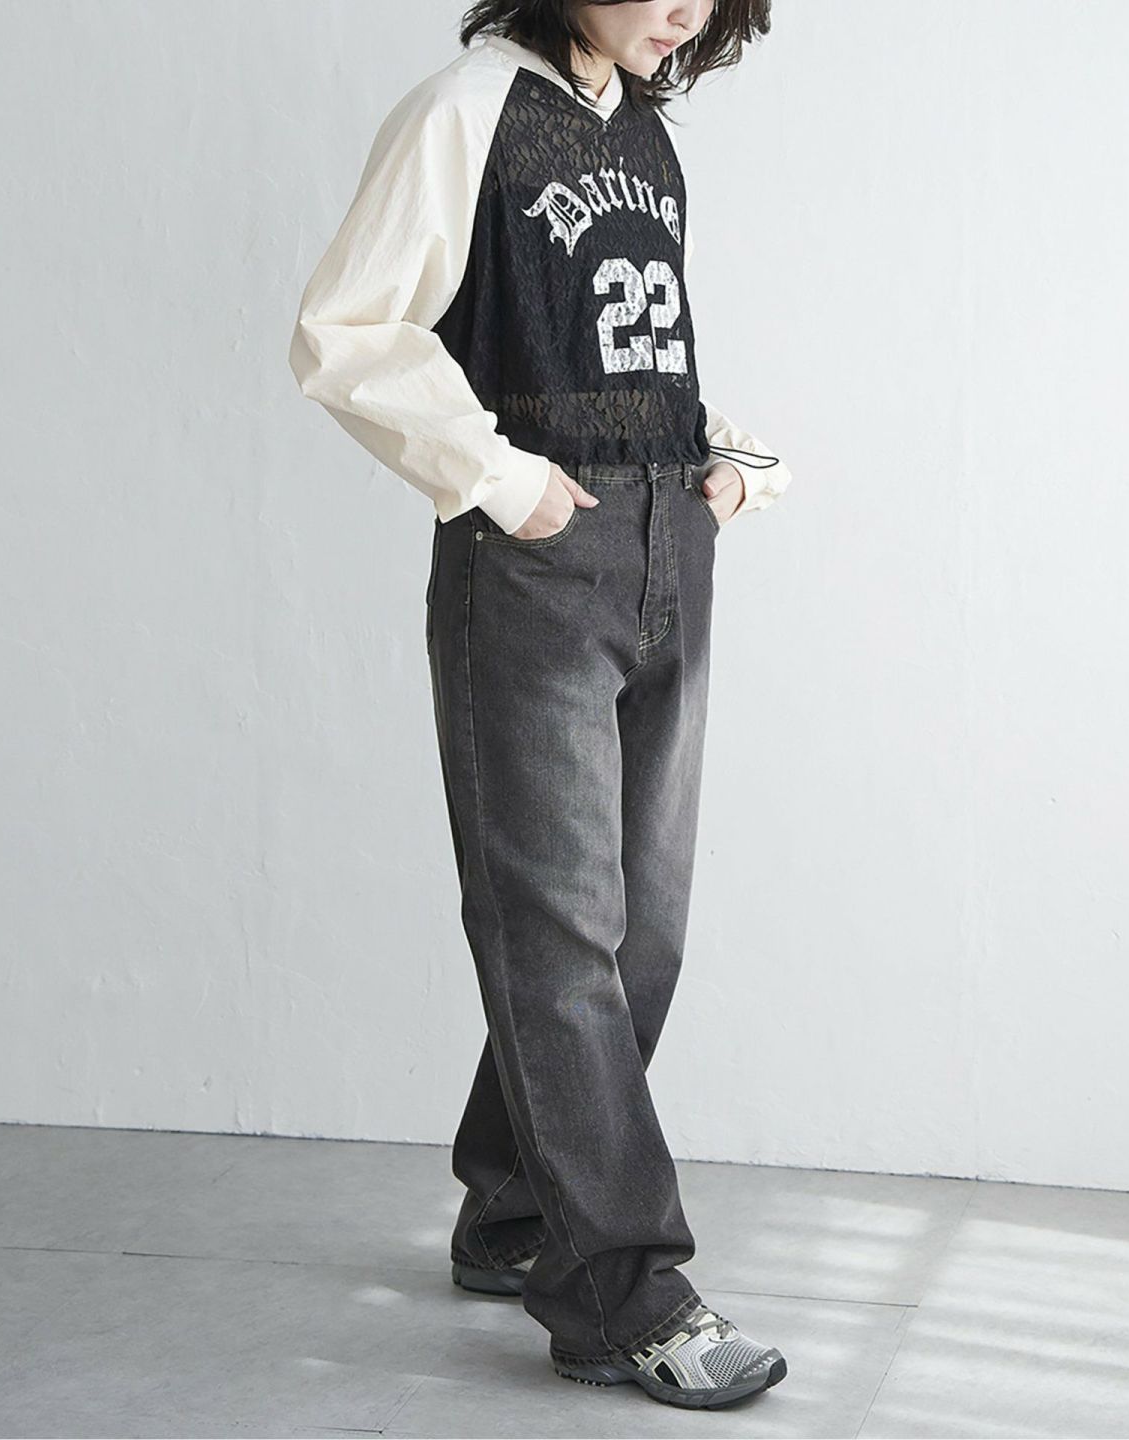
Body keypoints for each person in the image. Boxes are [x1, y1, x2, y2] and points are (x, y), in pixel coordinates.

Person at [289, 0, 791, 1410]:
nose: (685, 8)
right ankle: (622, 1290)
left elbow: (629, 354)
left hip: (670, 545)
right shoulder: (467, 112)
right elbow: (345, 328)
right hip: (537, 561)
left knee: (643, 932)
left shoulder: (645, 134)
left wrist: (729, 463)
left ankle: (514, 1207)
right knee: (559, 929)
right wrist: (502, 483)